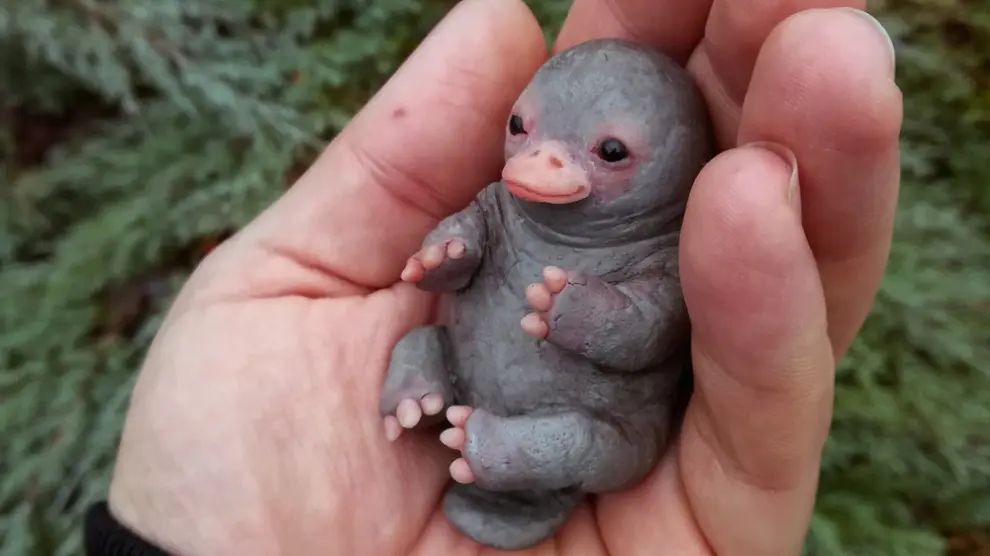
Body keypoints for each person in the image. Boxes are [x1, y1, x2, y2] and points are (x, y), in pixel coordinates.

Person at [82, 0, 903, 554]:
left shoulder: (658, 253)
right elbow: (468, 229)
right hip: (464, 375)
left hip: (596, 427)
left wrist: (589, 315)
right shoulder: (504, 204)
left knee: (577, 440)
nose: (540, 160)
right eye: (523, 129)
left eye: (607, 152)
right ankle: (427, 400)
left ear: (673, 173)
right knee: (418, 350)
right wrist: (450, 249)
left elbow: (648, 329)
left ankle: (505, 454)